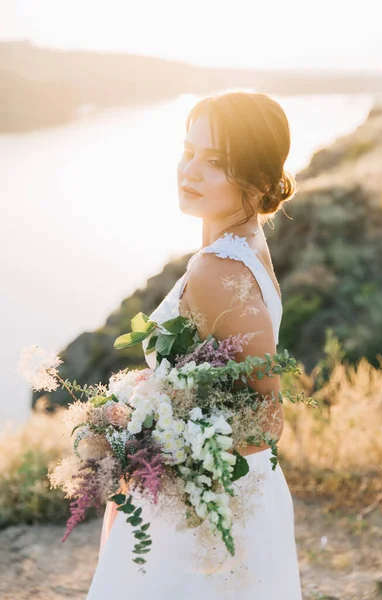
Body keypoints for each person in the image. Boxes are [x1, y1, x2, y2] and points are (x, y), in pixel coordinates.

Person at [86, 91, 303, 598]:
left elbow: (266, 420)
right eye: (189, 152)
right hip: (225, 497)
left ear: (257, 178)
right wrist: (153, 393)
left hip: (198, 519)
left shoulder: (217, 269)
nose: (190, 171)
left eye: (216, 162)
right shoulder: (246, 246)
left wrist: (151, 424)